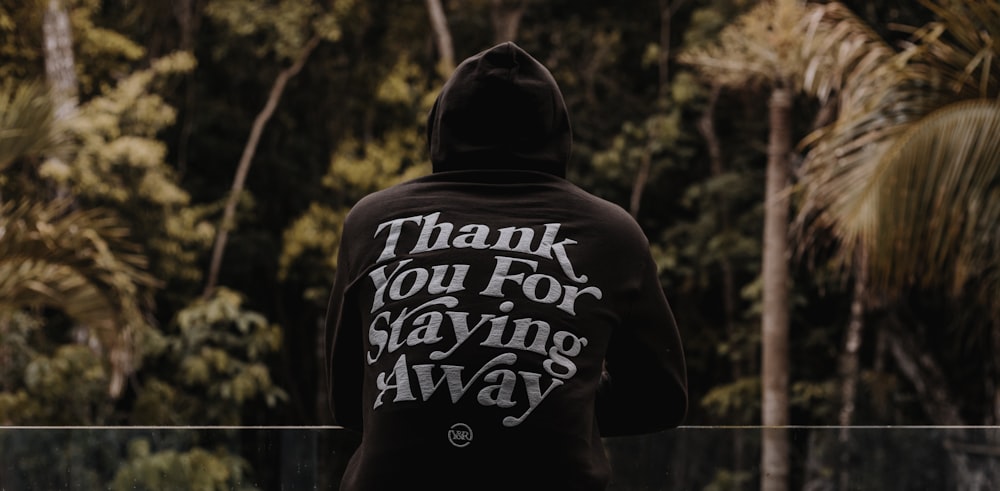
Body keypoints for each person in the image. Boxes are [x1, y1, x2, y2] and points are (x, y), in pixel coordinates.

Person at [325, 41, 687, 491]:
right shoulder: (611, 231)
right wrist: (549, 400)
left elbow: (346, 402)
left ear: (440, 126)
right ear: (558, 132)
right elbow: (661, 399)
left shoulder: (372, 221)